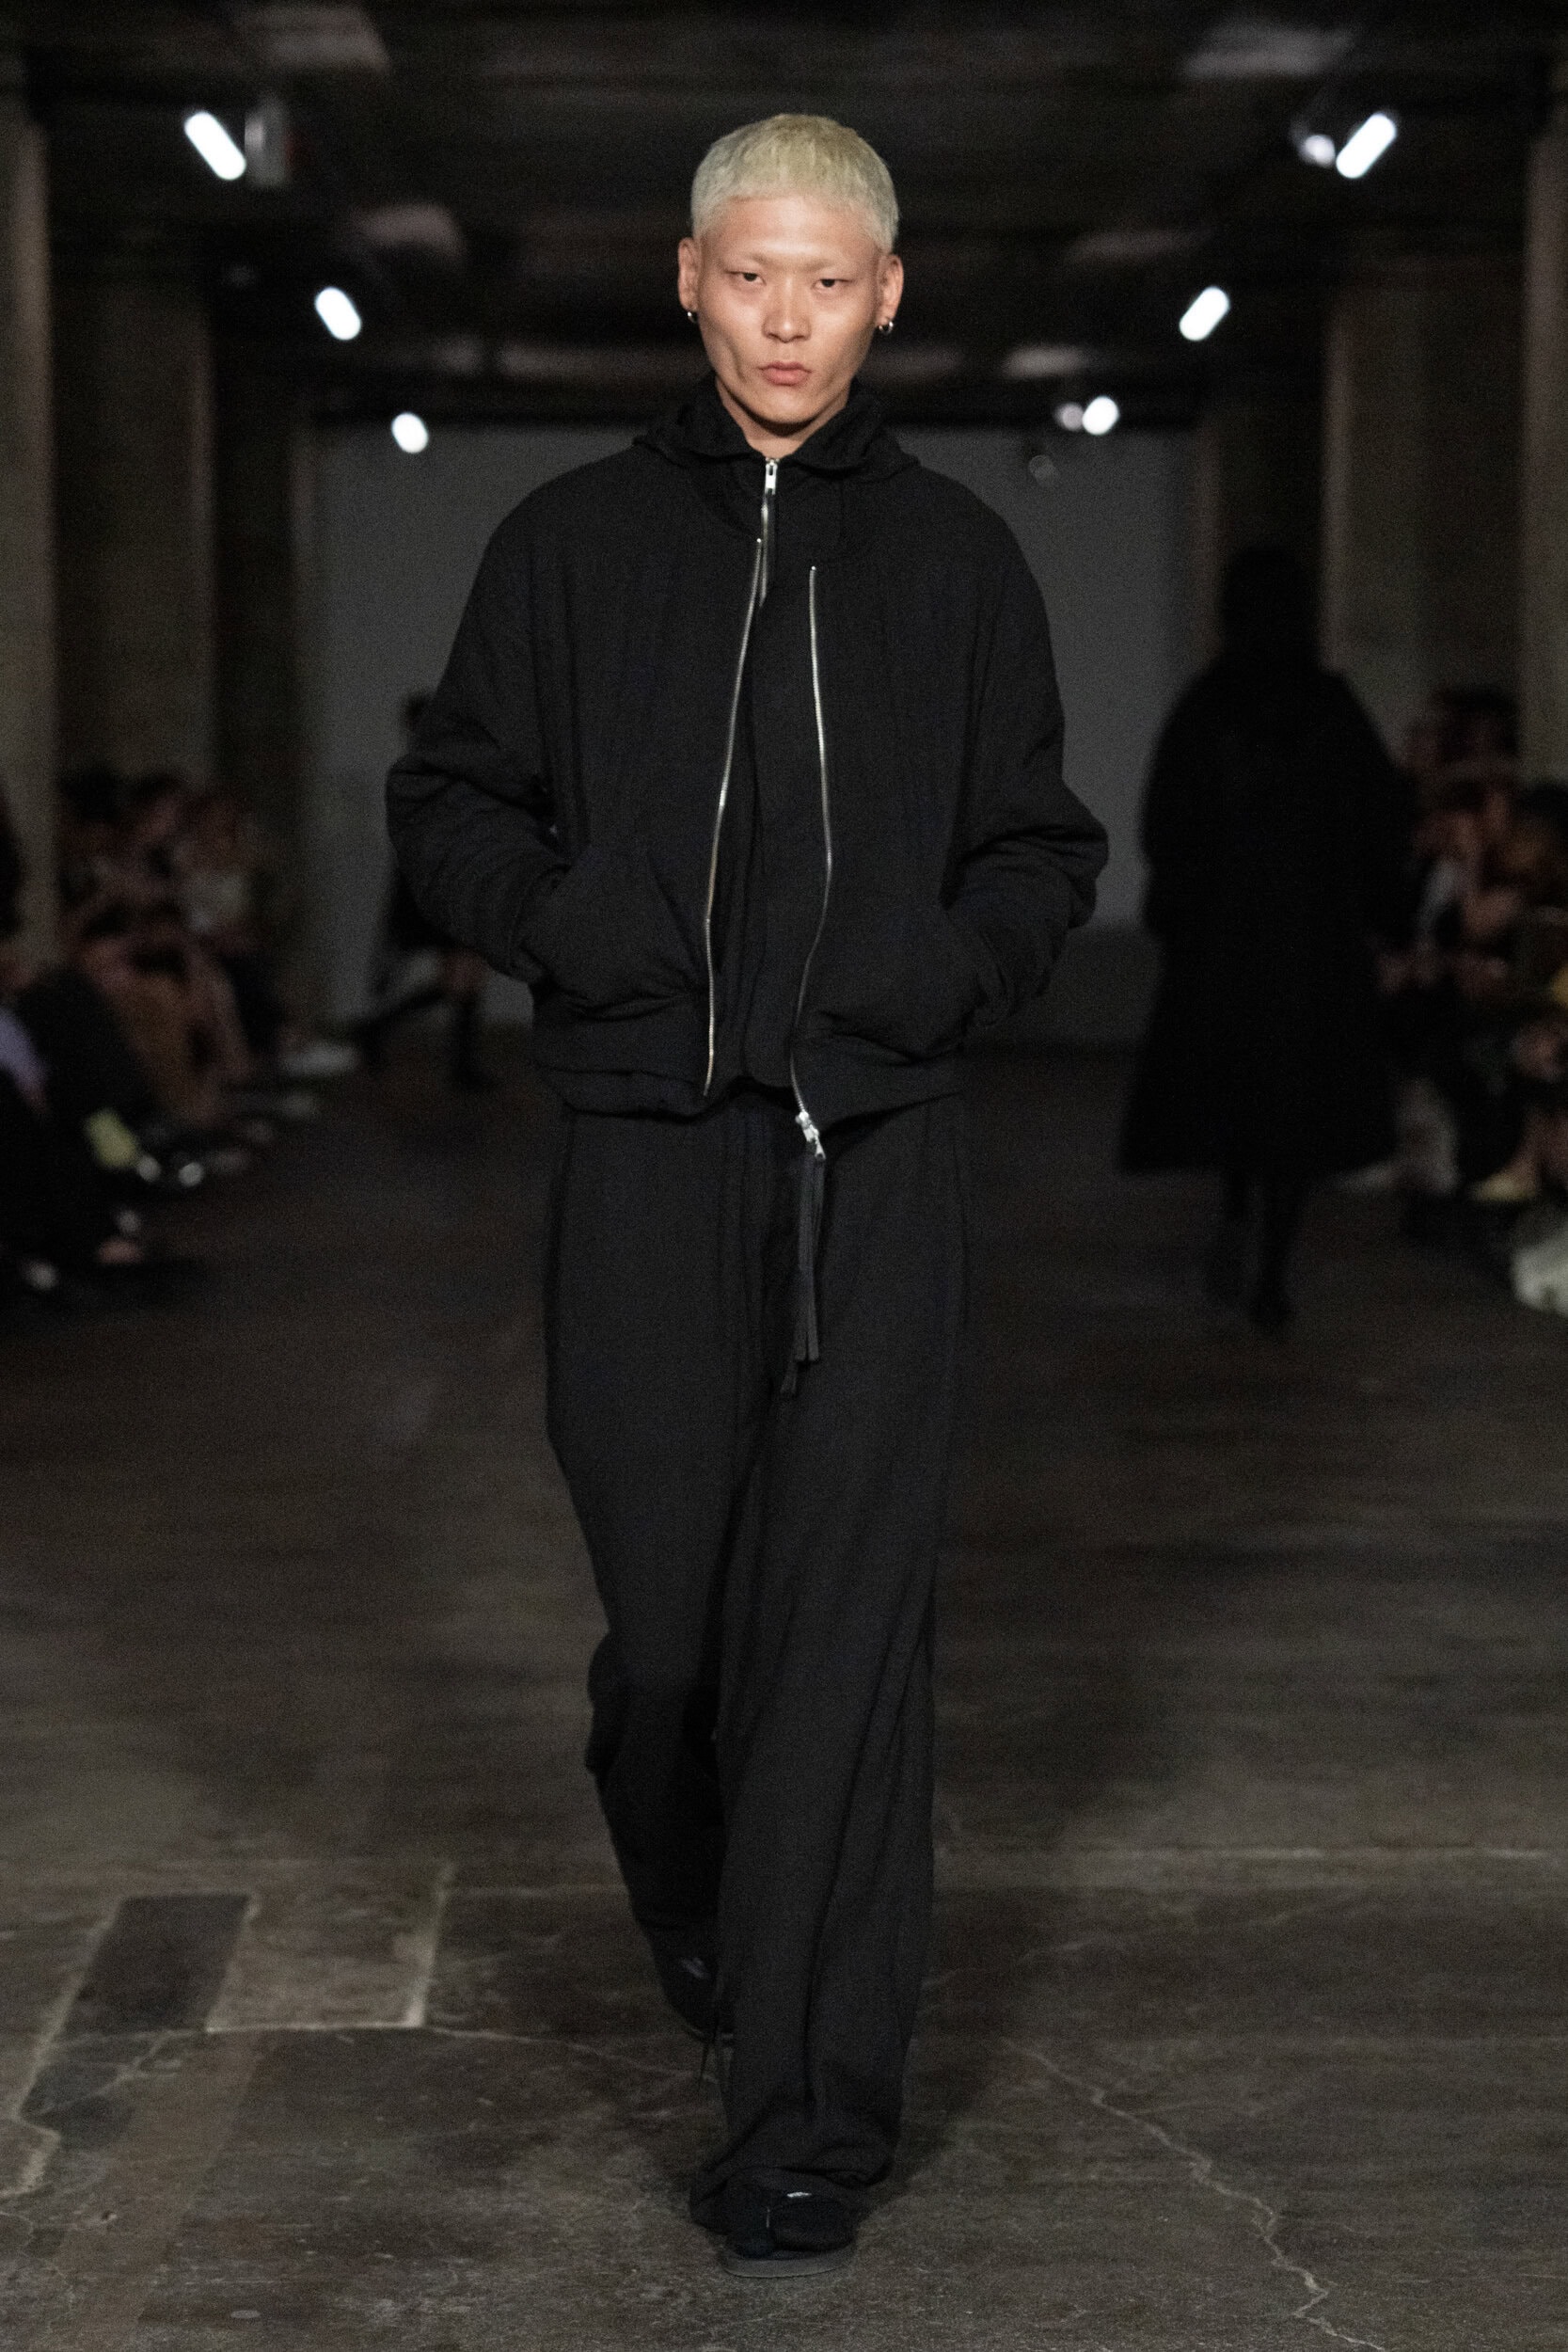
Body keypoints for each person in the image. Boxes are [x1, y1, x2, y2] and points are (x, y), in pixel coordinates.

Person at [388, 113, 1104, 2278]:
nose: (788, 321)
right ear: (689, 281)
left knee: (842, 1658)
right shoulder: (570, 544)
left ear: (885, 298)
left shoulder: (956, 562)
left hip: (874, 1164)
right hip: (645, 1156)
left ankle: (805, 2124)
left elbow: (1037, 850)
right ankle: (696, 1884)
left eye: (829, 283)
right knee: (679, 1651)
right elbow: (448, 801)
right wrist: (575, 922)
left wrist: (934, 976)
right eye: (751, 276)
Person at [1120, 546, 1409, 1330]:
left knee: (1234, 1092)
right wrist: (1378, 912)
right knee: (1294, 1105)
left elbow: (1163, 821)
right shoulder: (1327, 706)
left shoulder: (1208, 705)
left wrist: (1187, 900)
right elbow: (1379, 817)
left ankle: (1236, 1213)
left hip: (1222, 943)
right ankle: (1272, 1269)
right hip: (1310, 945)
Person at [356, 693, 495, 1090]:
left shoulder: (432, 767)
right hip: (439, 883)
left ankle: (380, 1031)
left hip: (443, 880)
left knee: (464, 974)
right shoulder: (430, 769)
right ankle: (456, 1064)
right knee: (464, 972)